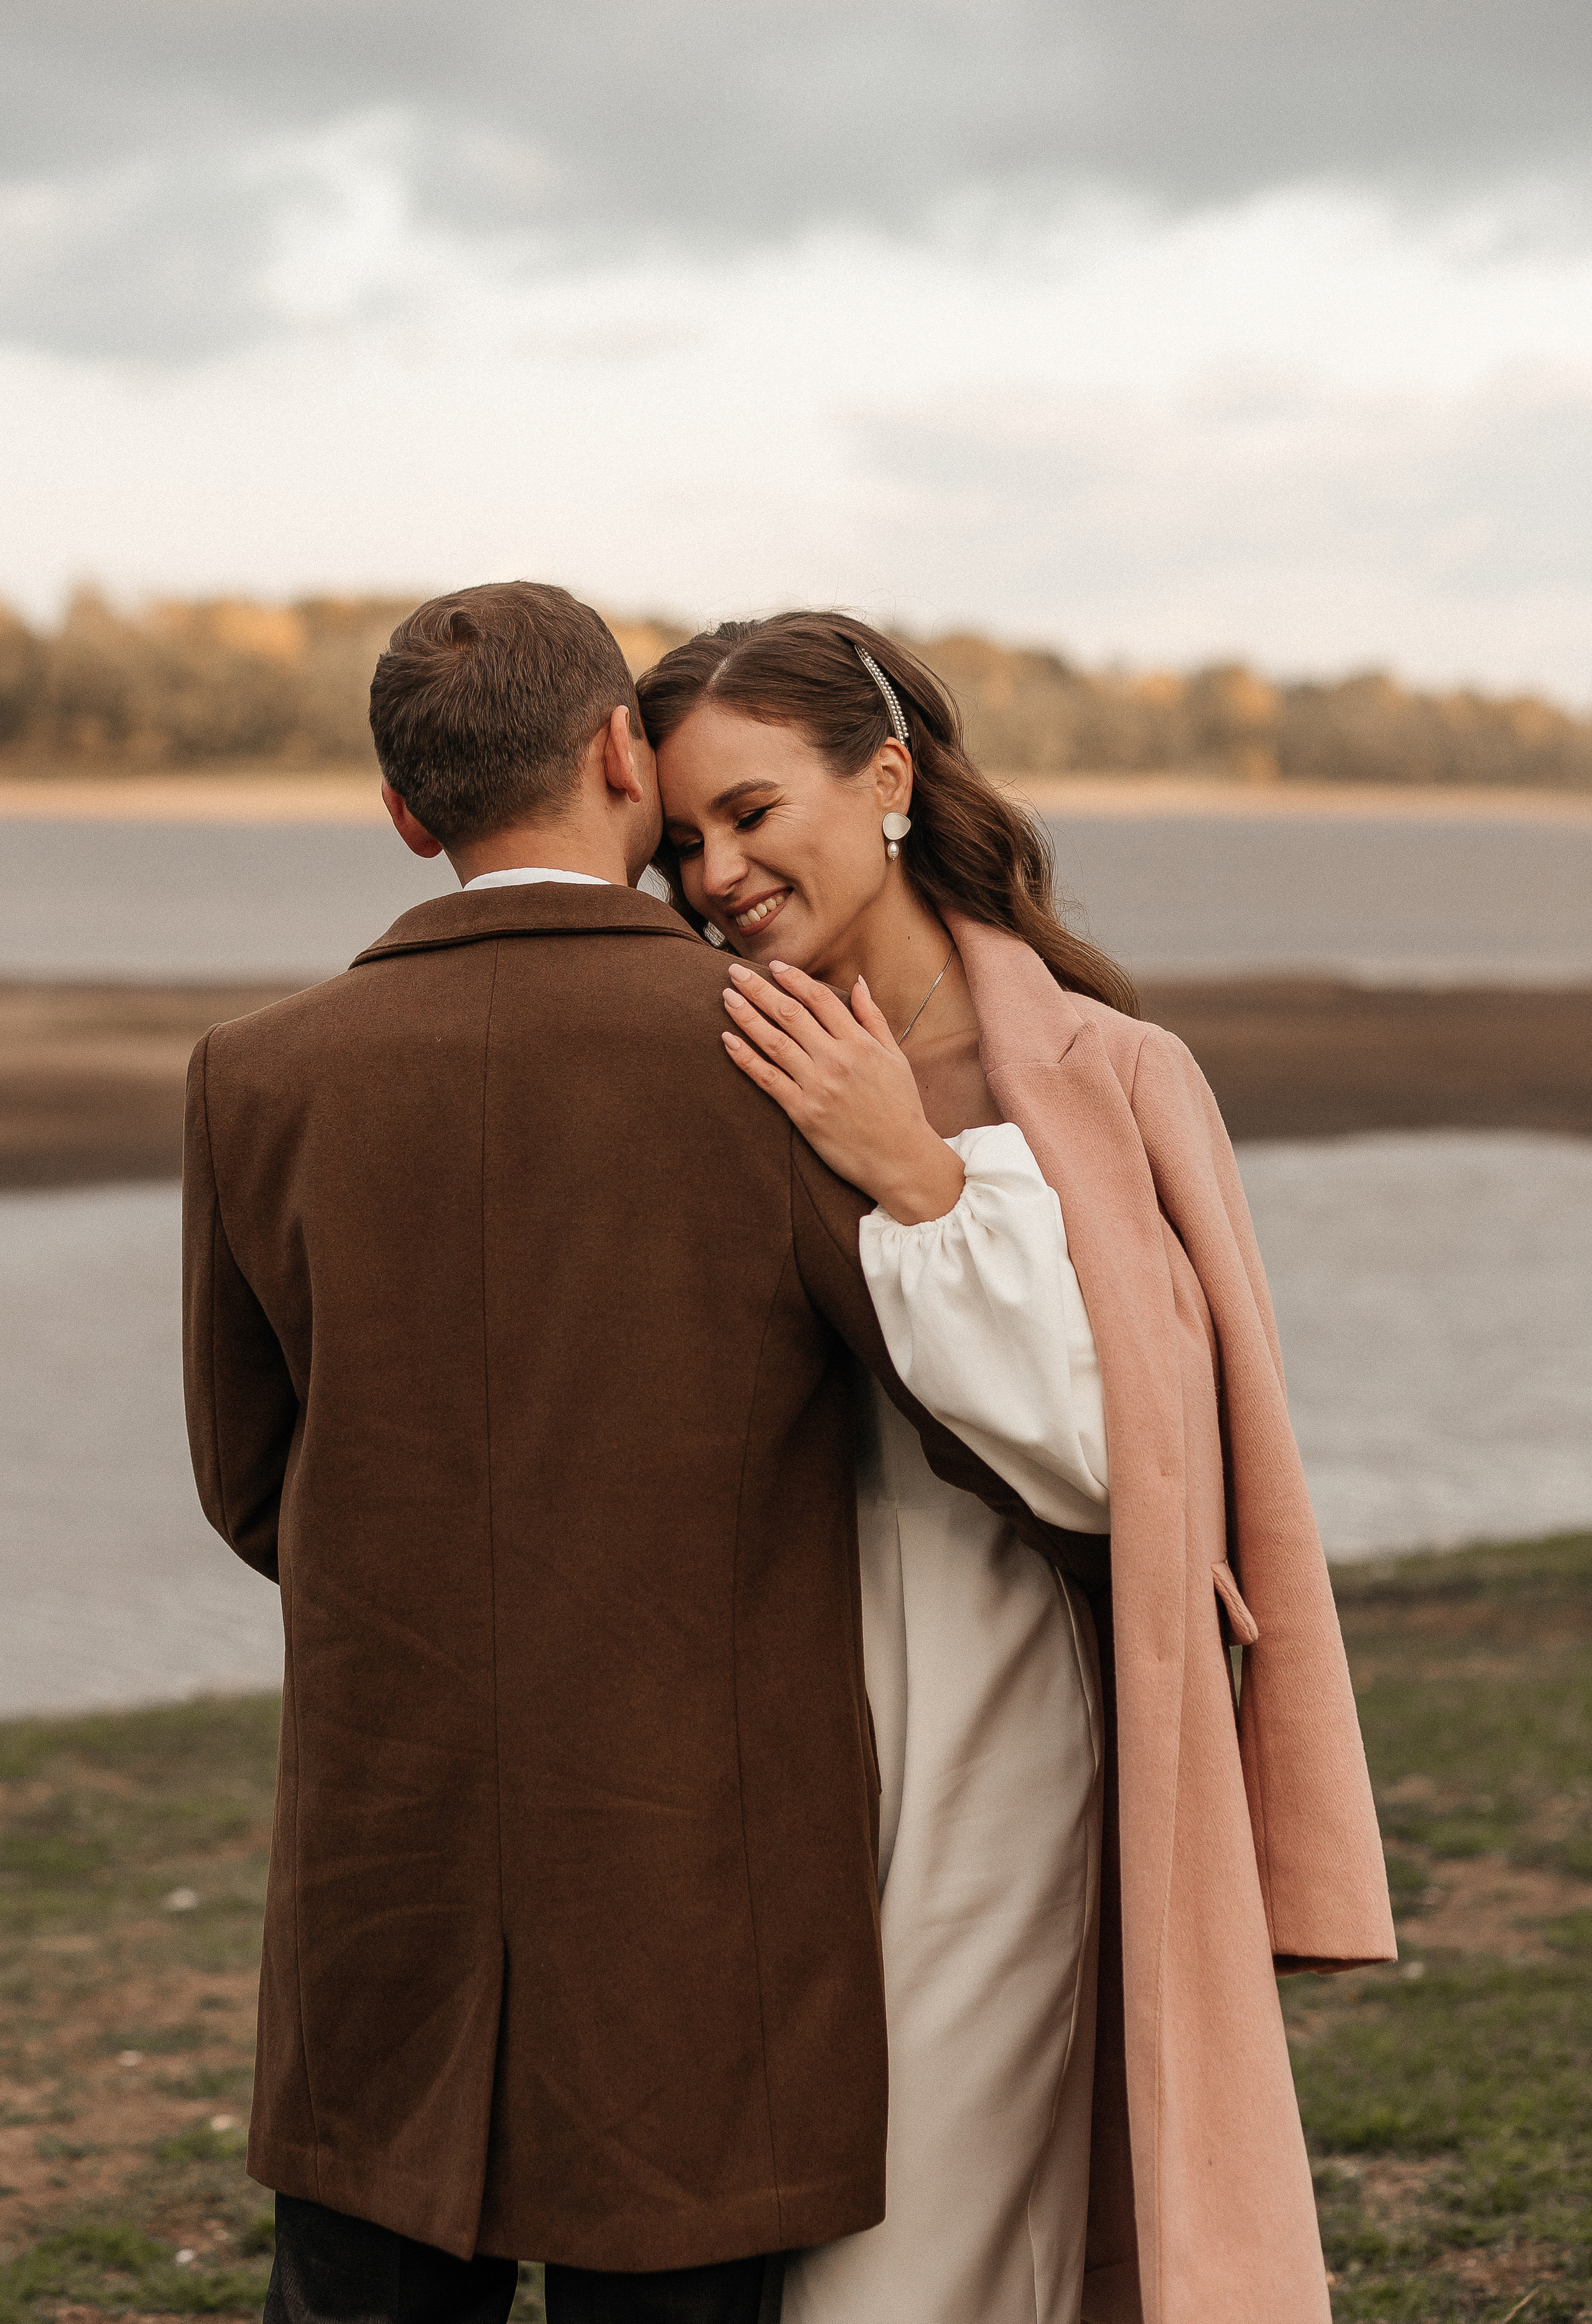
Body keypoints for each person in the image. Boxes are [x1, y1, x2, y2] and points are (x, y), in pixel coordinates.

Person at [180, 582, 1101, 2324]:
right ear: (622, 754)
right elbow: (962, 1419)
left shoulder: (253, 1075)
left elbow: (251, 1485)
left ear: (402, 812)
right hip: (704, 1913)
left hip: (383, 1890)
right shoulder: (767, 1046)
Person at [638, 612, 1399, 2324]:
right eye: (683, 841)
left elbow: (1136, 1464)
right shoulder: (707, 1065)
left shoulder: (1109, 1076)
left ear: (889, 777)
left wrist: (916, 1177)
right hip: (760, 1730)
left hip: (994, 1724)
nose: (719, 872)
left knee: (911, 2258)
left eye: (754, 812)